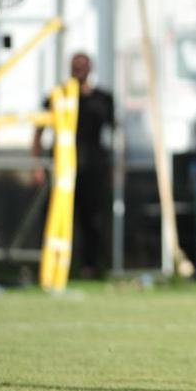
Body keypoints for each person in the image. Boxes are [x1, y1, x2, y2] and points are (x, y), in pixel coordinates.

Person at [31, 53, 115, 278]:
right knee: (57, 217)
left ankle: (91, 266)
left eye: (83, 67)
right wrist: (37, 165)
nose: (79, 71)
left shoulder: (102, 99)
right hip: (63, 168)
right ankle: (55, 265)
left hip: (93, 169)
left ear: (91, 69)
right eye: (75, 67)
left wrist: (115, 168)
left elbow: (115, 134)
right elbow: (38, 132)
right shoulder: (58, 97)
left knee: (92, 220)